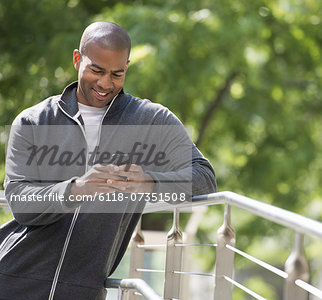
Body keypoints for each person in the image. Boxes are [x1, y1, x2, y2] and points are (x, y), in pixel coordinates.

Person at [0, 21, 216, 299]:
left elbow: (205, 178)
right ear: (77, 59)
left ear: (127, 67)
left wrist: (150, 182)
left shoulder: (151, 120)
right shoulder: (34, 120)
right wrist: (77, 189)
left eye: (118, 73)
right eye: (96, 70)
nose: (105, 83)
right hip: (12, 279)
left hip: (82, 291)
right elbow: (20, 201)